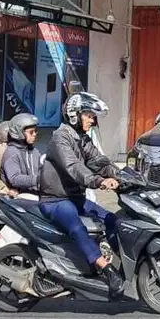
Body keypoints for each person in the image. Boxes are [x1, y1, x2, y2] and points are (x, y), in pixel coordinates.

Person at [38, 92, 124, 298]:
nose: (93, 121)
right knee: (77, 226)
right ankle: (106, 270)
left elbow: (99, 161)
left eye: (93, 117)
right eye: (89, 116)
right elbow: (74, 167)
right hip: (55, 200)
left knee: (112, 220)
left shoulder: (82, 139)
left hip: (75, 199)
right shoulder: (61, 137)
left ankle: (121, 263)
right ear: (75, 114)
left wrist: (123, 176)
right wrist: (99, 181)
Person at [1, 112, 43, 195]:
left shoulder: (35, 152)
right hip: (17, 197)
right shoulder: (12, 152)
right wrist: (38, 179)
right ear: (19, 132)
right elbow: (15, 179)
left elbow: (42, 171)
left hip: (35, 194)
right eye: (31, 132)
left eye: (36, 131)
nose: (34, 134)